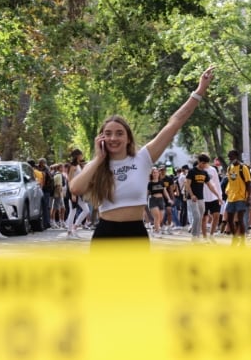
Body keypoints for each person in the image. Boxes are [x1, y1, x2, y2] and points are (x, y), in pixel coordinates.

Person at [68, 66, 215, 247]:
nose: (114, 138)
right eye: (108, 133)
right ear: (101, 138)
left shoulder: (143, 157)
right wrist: (98, 158)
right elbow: (75, 189)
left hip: (136, 234)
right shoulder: (96, 165)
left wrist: (199, 91)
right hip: (106, 234)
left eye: (119, 133)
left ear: (128, 137)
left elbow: (174, 123)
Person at [186, 153, 223, 242]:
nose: (204, 165)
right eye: (203, 163)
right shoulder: (192, 171)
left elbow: (210, 186)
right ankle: (194, 236)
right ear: (199, 162)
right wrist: (191, 195)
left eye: (206, 163)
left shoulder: (204, 172)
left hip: (201, 198)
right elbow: (187, 184)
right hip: (192, 198)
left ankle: (197, 236)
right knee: (197, 217)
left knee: (200, 217)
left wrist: (218, 195)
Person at [224, 149, 251, 246]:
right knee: (229, 219)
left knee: (240, 219)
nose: (229, 158)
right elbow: (230, 182)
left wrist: (248, 197)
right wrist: (227, 190)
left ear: (236, 156)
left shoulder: (243, 168)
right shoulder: (229, 168)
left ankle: (243, 241)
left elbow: (248, 183)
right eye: (228, 156)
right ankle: (234, 237)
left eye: (230, 156)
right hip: (231, 197)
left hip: (241, 197)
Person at [65, 149, 90, 239]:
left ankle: (74, 228)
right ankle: (69, 233)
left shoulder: (79, 165)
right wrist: (72, 193)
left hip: (79, 191)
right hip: (73, 191)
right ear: (77, 156)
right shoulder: (73, 166)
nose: (82, 156)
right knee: (73, 211)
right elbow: (69, 180)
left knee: (86, 210)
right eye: (81, 154)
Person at [148, 168, 173, 239]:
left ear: (158, 174)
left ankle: (154, 228)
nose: (155, 174)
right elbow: (147, 193)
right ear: (152, 174)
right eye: (154, 173)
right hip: (153, 200)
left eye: (156, 172)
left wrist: (169, 199)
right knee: (157, 217)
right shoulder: (150, 183)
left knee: (161, 218)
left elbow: (165, 191)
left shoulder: (161, 182)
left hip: (161, 200)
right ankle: (157, 232)